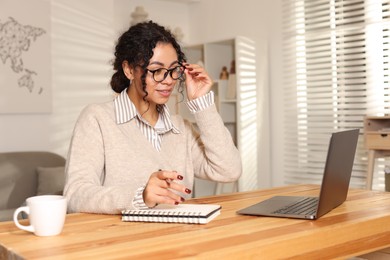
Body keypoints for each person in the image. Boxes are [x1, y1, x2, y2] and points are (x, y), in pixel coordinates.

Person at [64, 21, 242, 214]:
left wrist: (203, 104)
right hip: (123, 241)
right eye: (156, 70)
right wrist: (140, 196)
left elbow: (229, 170)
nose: (168, 81)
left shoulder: (181, 128)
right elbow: (75, 195)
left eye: (173, 70)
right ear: (129, 70)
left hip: (179, 238)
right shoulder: (97, 118)